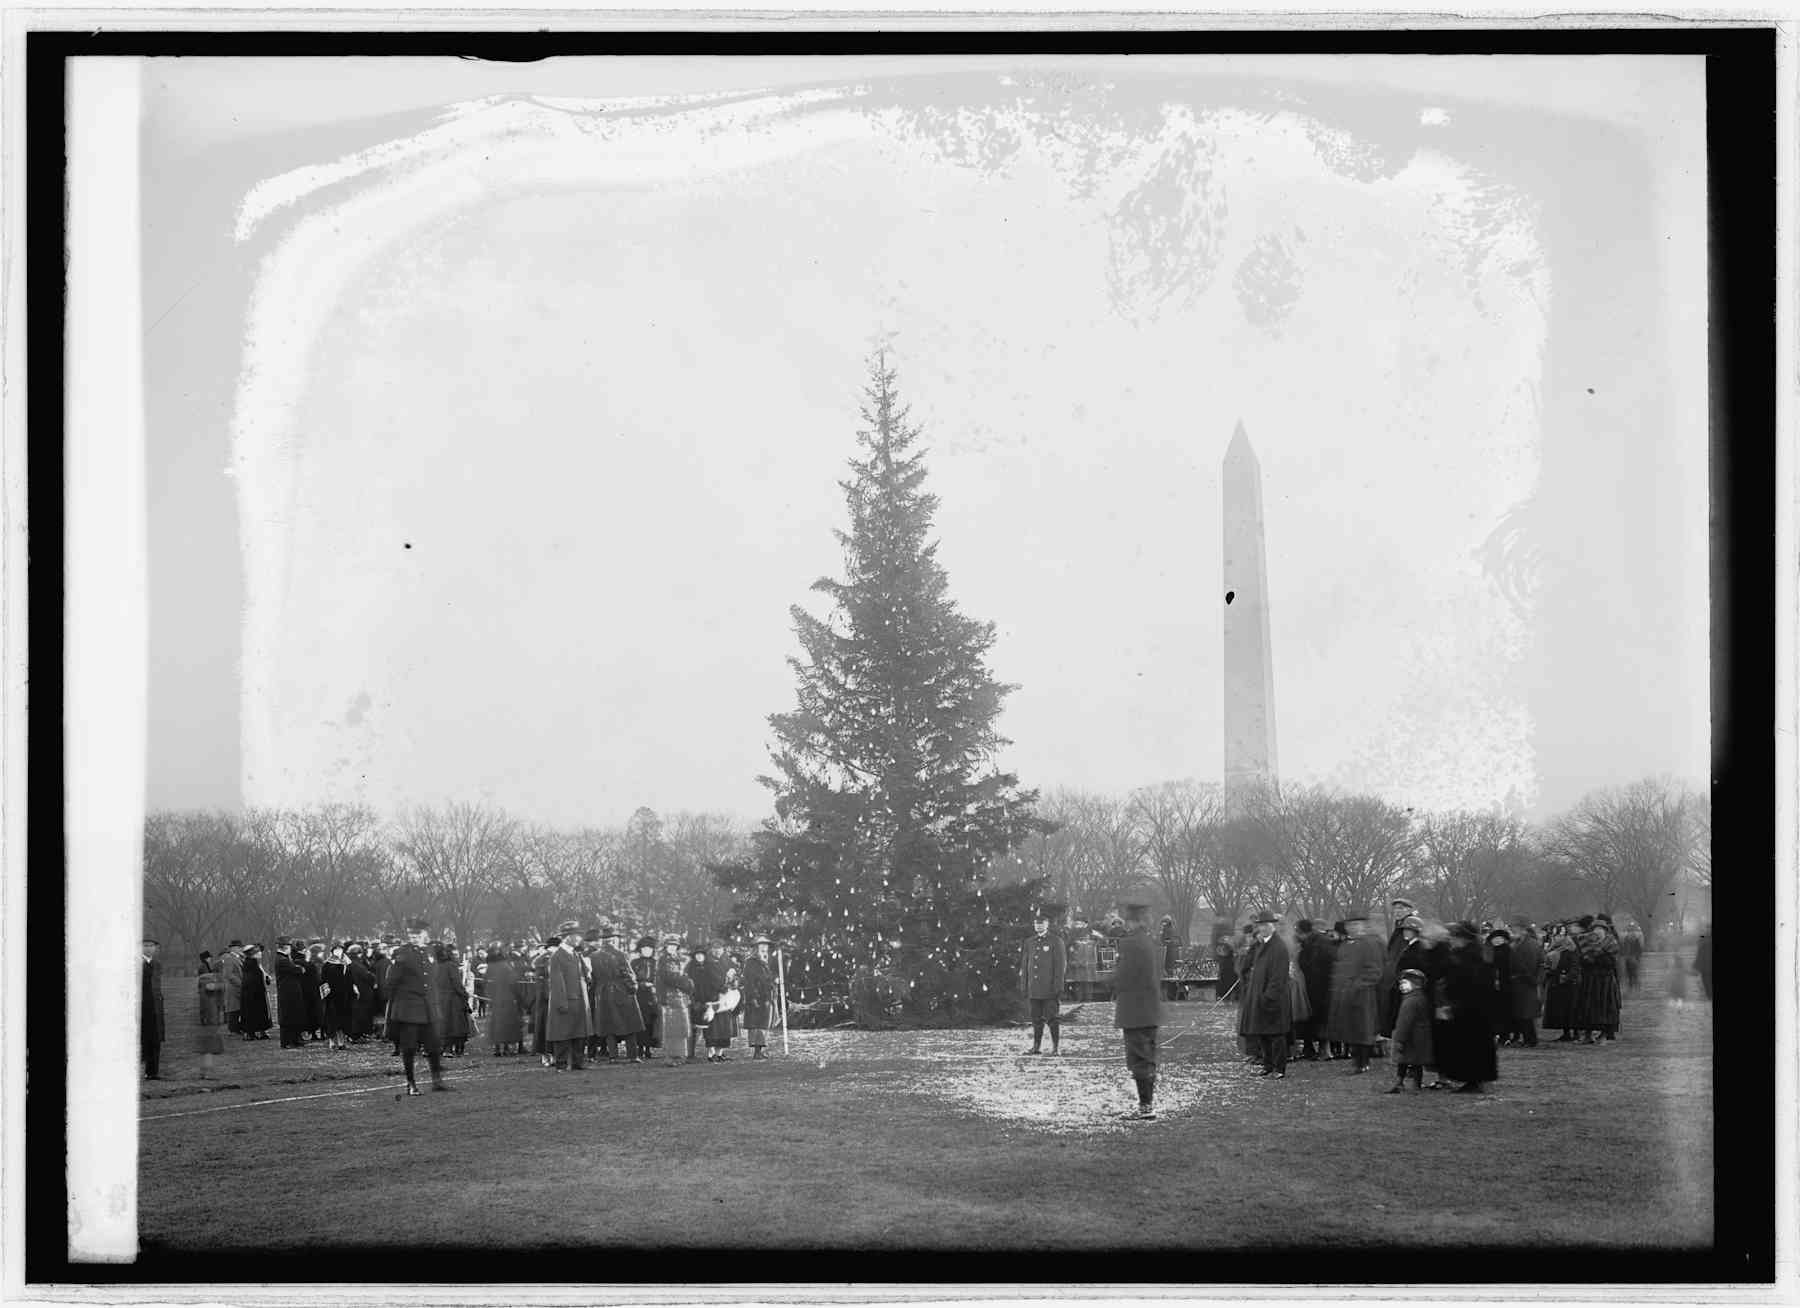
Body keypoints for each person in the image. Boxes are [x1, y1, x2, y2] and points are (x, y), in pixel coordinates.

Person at [1111, 901, 1165, 1121]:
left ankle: (1145, 1107)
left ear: (1132, 921)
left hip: (1135, 1010)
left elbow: (1123, 977)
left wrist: (1111, 979)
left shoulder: (1130, 944)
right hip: (1149, 1009)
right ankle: (1147, 1104)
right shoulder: (1149, 942)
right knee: (1147, 1057)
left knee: (1139, 1059)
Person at [1432, 921, 1499, 1094]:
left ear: (1463, 938)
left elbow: (1469, 981)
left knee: (1472, 1044)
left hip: (1472, 1007)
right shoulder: (1467, 953)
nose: (1451, 940)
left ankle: (1475, 1080)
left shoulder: (1471, 955)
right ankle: (1473, 1079)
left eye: (1454, 937)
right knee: (1469, 1044)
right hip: (1469, 1006)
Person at [385, 918, 451, 1095]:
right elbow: (391, 982)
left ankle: (437, 1081)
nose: (414, 937)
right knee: (409, 1047)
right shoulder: (402, 953)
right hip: (409, 1008)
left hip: (429, 1007)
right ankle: (411, 1083)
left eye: (417, 934)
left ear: (425, 934)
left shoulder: (430, 951)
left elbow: (432, 979)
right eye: (411, 934)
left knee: (434, 1046)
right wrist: (399, 1002)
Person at [1326, 910, 1384, 1073]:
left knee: (1362, 1028)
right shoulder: (1345, 945)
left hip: (1362, 994)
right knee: (1350, 1029)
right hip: (1344, 994)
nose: (1353, 927)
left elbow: (1375, 970)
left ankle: (1363, 1062)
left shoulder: (1369, 943)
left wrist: (1357, 985)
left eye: (1356, 924)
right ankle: (1357, 1060)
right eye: (1350, 924)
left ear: (1363, 925)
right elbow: (1339, 968)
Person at [1242, 911, 1292, 1079]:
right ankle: (1268, 1065)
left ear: (1273, 926)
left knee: (1276, 1035)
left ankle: (1279, 1068)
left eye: (1266, 925)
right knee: (1263, 1033)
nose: (1263, 928)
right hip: (1260, 996)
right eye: (1261, 925)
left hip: (1273, 998)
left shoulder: (1279, 947)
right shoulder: (1262, 945)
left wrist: (1268, 996)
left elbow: (1278, 976)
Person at [592, 926, 645, 1061]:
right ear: (613, 939)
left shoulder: (594, 956)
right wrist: (633, 988)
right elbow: (627, 974)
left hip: (602, 993)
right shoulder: (620, 954)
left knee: (609, 1025)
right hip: (621, 991)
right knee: (629, 1023)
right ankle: (632, 1056)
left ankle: (613, 1056)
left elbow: (593, 978)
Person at [545, 923, 593, 1071]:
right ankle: (561, 1064)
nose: (579, 938)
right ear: (567, 937)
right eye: (576, 935)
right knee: (562, 1034)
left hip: (580, 1000)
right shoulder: (556, 957)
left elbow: (585, 976)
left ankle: (578, 1063)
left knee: (580, 1033)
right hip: (566, 1001)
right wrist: (561, 1002)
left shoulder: (576, 954)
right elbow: (556, 981)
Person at [1019, 910, 1067, 1056]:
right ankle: (1036, 1047)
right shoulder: (1030, 942)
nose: (1039, 926)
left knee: (1052, 1019)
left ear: (1047, 924)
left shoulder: (1055, 941)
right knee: (1036, 1020)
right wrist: (1024, 985)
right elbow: (1025, 965)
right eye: (1036, 924)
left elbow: (1060, 966)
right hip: (1034, 989)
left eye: (1042, 923)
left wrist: (1058, 986)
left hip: (1049, 989)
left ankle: (1055, 1048)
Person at [1387, 967, 1434, 1093]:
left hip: (1411, 1037)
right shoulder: (1420, 998)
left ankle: (1402, 1083)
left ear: (1415, 985)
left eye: (1404, 983)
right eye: (1400, 984)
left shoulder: (1410, 1001)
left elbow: (1404, 1022)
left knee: (1406, 1061)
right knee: (1415, 1062)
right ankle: (1414, 1084)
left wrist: (1399, 1039)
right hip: (1420, 1036)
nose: (1401, 987)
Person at [1293, 920, 1334, 1060]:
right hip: (1313, 985)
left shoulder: (1317, 944)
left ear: (1303, 932)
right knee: (1311, 1018)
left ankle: (1324, 1050)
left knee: (1320, 1018)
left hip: (1319, 986)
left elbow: (1316, 965)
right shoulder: (1314, 942)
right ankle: (1310, 1048)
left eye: (1297, 931)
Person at [656, 935, 695, 1066]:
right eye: (670, 945)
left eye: (675, 946)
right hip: (669, 997)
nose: (672, 948)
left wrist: (687, 983)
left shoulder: (678, 959)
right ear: (666, 947)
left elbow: (681, 975)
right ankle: (670, 1057)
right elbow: (669, 977)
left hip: (681, 997)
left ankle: (681, 1055)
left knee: (681, 1027)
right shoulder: (663, 960)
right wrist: (685, 982)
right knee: (671, 1028)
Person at [1506, 918, 1543, 1047]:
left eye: (1514, 927)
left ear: (1522, 929)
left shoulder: (1529, 944)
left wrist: (1528, 978)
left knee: (1526, 1013)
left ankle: (1530, 1039)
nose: (1511, 929)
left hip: (1525, 982)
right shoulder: (1523, 942)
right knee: (1523, 1012)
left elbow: (1528, 965)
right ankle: (1528, 1038)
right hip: (1523, 982)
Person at [431, 943, 472, 1057]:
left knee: (443, 1024)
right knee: (455, 1025)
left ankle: (443, 1048)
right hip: (452, 999)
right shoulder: (451, 966)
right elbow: (457, 984)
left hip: (439, 998)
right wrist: (464, 994)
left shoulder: (436, 965)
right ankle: (451, 1049)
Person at [741, 937, 778, 1060]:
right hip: (757, 998)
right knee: (757, 1025)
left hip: (765, 996)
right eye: (761, 946)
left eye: (765, 946)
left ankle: (760, 1050)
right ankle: (757, 1052)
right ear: (756, 948)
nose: (764, 948)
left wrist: (774, 981)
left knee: (763, 1024)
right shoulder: (751, 962)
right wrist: (753, 997)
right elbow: (749, 981)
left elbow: (766, 978)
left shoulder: (765, 962)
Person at [482, 948, 524, 1055]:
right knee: (507, 1024)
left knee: (496, 1023)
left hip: (495, 1000)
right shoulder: (506, 967)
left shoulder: (490, 968)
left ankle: (497, 1049)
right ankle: (506, 1048)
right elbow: (513, 983)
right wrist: (519, 997)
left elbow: (485, 983)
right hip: (508, 999)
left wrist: (490, 996)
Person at [194, 952, 226, 1079]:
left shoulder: (214, 981)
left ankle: (207, 1071)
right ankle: (206, 1072)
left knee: (209, 1045)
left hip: (211, 1015)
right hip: (209, 1017)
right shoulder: (208, 979)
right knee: (208, 1044)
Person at [631, 936, 663, 1059]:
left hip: (653, 996)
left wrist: (654, 985)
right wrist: (641, 984)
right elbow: (630, 978)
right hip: (639, 996)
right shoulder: (634, 963)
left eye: (649, 949)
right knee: (641, 1021)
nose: (647, 951)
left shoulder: (657, 963)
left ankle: (649, 1048)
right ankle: (640, 1048)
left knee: (652, 1022)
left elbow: (660, 978)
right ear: (640, 950)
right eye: (644, 948)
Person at [275, 941, 309, 1048]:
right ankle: (287, 1042)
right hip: (287, 992)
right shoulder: (282, 960)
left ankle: (294, 1040)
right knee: (287, 1017)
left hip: (292, 991)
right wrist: (300, 968)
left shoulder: (285, 958)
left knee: (294, 1016)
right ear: (285, 947)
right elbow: (297, 970)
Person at [321, 943, 354, 1051]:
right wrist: (326, 993)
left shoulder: (347, 963)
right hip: (331, 996)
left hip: (344, 996)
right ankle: (332, 1041)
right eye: (336, 949)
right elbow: (323, 980)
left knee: (342, 1020)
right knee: (332, 1020)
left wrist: (352, 990)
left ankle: (341, 1042)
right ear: (332, 951)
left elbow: (351, 979)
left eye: (340, 949)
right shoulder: (327, 964)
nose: (338, 951)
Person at [141, 938, 166, 1080]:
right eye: (145, 946)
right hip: (142, 1007)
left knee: (155, 1040)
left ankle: (152, 1072)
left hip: (156, 1007)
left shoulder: (157, 964)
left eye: (152, 946)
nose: (149, 948)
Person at [239, 945, 272, 1040]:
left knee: (259, 1012)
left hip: (257, 992)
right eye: (257, 952)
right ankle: (250, 1032)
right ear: (252, 954)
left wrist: (266, 978)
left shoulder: (254, 963)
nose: (260, 953)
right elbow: (251, 979)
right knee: (251, 1013)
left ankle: (261, 1031)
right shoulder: (250, 964)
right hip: (252, 994)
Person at [347, 944, 378, 1043]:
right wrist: (373, 977)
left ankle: (357, 1034)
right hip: (362, 993)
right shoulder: (357, 964)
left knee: (357, 1014)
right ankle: (356, 1035)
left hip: (357, 992)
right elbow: (367, 976)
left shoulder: (350, 963)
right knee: (359, 1015)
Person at [220, 940, 245, 1035]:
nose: (241, 949)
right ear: (234, 948)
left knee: (237, 1009)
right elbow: (229, 975)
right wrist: (241, 983)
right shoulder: (229, 959)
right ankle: (233, 1029)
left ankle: (236, 1028)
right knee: (234, 1009)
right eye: (239, 947)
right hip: (233, 988)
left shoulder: (238, 958)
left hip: (237, 987)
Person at [1159, 916, 1180, 1002]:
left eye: (1163, 922)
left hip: (1168, 954)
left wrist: (1162, 940)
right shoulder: (1174, 929)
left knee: (1169, 972)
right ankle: (1172, 994)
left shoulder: (1167, 930)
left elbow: (1165, 941)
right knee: (1172, 973)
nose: (1162, 924)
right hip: (1174, 953)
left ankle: (1170, 995)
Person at [1693, 924, 1713, 1000]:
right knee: (1706, 982)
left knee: (1707, 982)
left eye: (1709, 928)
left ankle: (1710, 996)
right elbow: (1699, 953)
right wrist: (1696, 965)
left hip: (1708, 966)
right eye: (1707, 928)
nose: (1708, 930)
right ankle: (1709, 996)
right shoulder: (1702, 938)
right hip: (1705, 966)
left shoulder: (1702, 939)